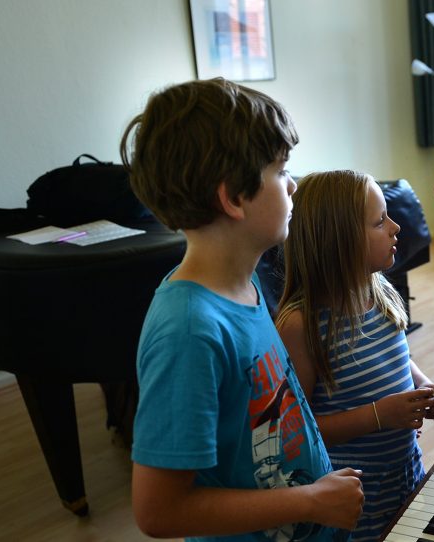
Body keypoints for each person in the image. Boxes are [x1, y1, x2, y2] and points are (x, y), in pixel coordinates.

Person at [120, 78, 364, 541]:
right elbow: (159, 511)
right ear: (233, 197)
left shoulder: (246, 284)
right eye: (279, 169)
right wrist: (310, 500)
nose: (292, 183)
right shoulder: (189, 331)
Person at [275, 170, 434, 541]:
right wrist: (378, 416)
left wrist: (425, 385)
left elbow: (396, 356)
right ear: (338, 241)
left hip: (404, 472)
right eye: (379, 221)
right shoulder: (300, 325)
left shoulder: (379, 290)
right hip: (355, 498)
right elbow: (297, 434)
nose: (395, 226)